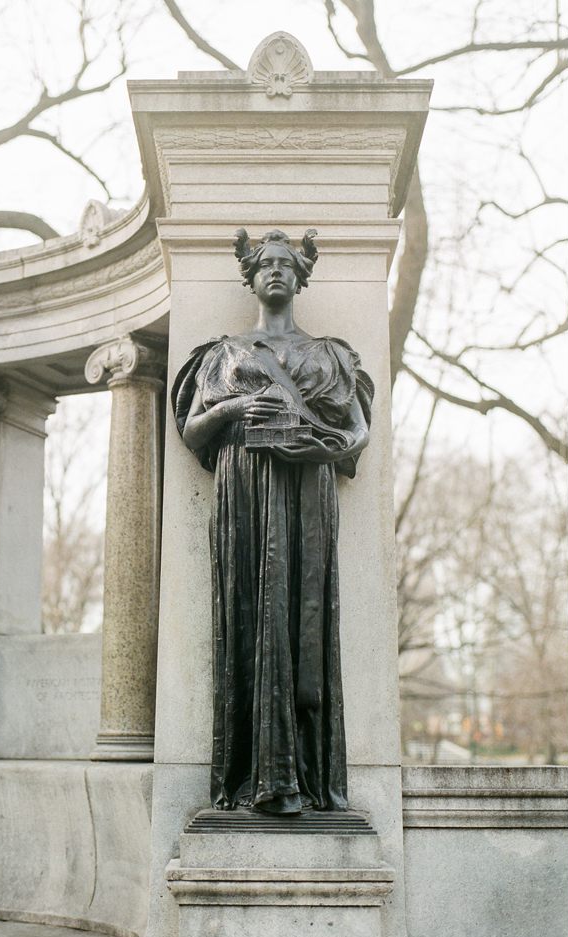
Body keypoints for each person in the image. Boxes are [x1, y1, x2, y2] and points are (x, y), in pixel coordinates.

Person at [171, 228, 373, 814]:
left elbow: (358, 434)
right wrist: (234, 407)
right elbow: (192, 431)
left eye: (288, 264)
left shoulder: (330, 356)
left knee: (302, 622)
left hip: (308, 488)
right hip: (244, 492)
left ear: (301, 277)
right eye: (267, 265)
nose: (277, 272)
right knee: (249, 615)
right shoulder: (223, 356)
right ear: (252, 277)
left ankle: (303, 779)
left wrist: (320, 448)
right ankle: (253, 777)